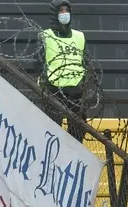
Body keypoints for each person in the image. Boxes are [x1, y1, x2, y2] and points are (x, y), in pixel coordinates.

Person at [38, 1, 88, 142]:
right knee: (53, 129)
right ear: (55, 14)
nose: (65, 14)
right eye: (61, 11)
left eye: (67, 10)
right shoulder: (45, 36)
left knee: (78, 129)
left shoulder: (79, 37)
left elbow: (85, 61)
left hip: (76, 90)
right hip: (54, 89)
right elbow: (38, 62)